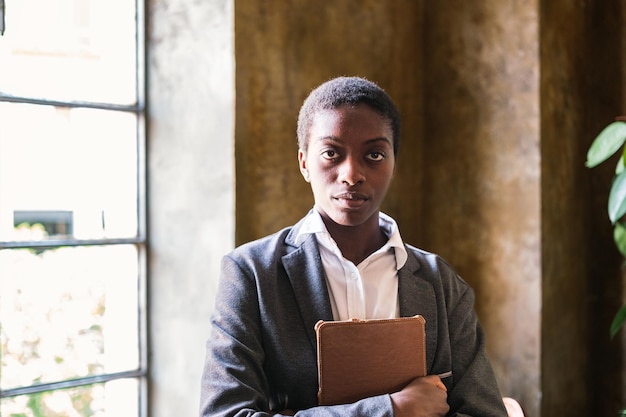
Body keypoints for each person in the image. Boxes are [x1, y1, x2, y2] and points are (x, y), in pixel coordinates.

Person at [200, 76, 508, 417]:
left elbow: (485, 412)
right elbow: (225, 413)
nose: (351, 174)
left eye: (374, 154)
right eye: (331, 153)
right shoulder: (252, 274)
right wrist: (393, 409)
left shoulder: (441, 283)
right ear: (304, 162)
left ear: (393, 163)